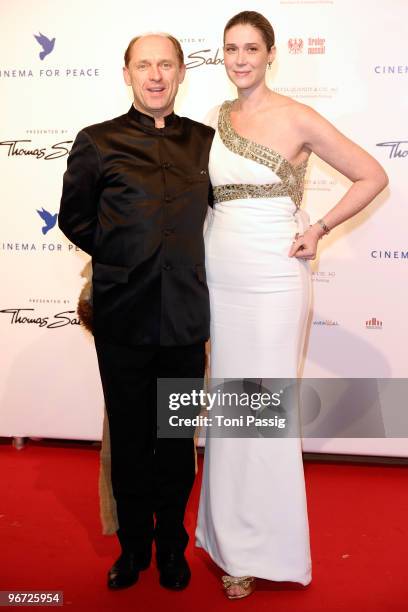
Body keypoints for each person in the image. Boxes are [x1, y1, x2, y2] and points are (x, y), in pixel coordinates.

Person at [195, 11, 388, 600]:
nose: (240, 58)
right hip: (220, 274)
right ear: (222, 56)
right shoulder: (214, 119)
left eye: (251, 48)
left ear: (271, 54)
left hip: (276, 277)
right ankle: (228, 541)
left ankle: (264, 547)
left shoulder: (298, 115)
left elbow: (371, 175)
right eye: (231, 48)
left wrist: (320, 227)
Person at [59, 33, 214, 591]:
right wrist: (125, 254)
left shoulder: (204, 142)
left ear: (180, 73)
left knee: (175, 442)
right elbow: (75, 219)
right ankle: (133, 550)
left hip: (185, 320)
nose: (155, 75)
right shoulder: (97, 142)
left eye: (166, 64)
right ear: (127, 73)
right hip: (123, 318)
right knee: (129, 441)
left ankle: (172, 546)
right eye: (144, 64)